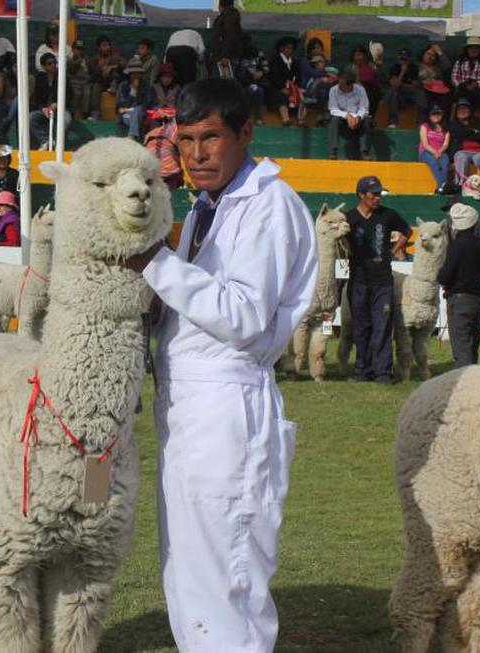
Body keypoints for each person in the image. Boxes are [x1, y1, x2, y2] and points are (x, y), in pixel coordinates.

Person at [122, 78, 316, 653]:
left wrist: (155, 263)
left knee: (226, 574)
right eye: (185, 140)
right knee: (188, 573)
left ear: (246, 133)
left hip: (229, 410)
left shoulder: (269, 205)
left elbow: (244, 315)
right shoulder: (206, 208)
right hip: (188, 409)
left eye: (211, 137)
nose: (197, 153)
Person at [345, 175, 410, 383]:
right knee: (361, 327)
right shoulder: (349, 218)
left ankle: (382, 372)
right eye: (373, 194)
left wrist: (393, 250)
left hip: (383, 282)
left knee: (382, 327)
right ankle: (362, 370)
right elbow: (340, 239)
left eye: (379, 194)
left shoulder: (388, 215)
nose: (377, 198)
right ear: (361, 195)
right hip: (358, 281)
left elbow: (407, 231)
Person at [438, 203, 480, 368]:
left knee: (462, 348)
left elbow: (445, 276)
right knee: (472, 345)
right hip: (476, 297)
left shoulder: (457, 245)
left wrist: (444, 279)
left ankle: (464, 378)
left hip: (459, 299)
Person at [451, 36, 480, 129]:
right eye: (471, 48)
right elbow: (454, 77)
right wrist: (463, 85)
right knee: (460, 100)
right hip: (463, 89)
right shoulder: (460, 61)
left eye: (476, 48)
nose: (473, 50)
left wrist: (477, 85)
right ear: (467, 49)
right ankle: (455, 126)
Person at [328, 67, 371, 161]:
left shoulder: (360, 90)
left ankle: (364, 152)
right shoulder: (333, 90)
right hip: (342, 119)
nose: (343, 86)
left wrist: (357, 118)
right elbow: (333, 109)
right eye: (341, 80)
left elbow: (364, 108)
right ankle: (333, 151)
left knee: (366, 120)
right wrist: (347, 116)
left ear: (352, 84)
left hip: (357, 119)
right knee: (334, 119)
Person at [29, 53, 71, 151]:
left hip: (60, 109)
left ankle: (57, 144)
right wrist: (43, 108)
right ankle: (46, 141)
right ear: (44, 66)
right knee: (30, 118)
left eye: (54, 63)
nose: (52, 65)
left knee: (66, 120)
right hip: (45, 110)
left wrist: (58, 104)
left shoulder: (62, 76)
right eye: (49, 63)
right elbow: (37, 98)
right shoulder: (40, 78)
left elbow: (69, 96)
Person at [116, 57, 155, 143]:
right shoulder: (123, 86)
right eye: (133, 73)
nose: (136, 75)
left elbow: (147, 104)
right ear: (129, 74)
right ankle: (134, 136)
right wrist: (133, 89)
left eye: (138, 73)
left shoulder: (145, 85)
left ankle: (132, 136)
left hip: (141, 114)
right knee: (134, 113)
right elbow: (122, 105)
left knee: (138, 109)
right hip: (126, 115)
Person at [88, 35, 124, 120]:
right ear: (98, 48)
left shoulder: (115, 55)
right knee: (95, 88)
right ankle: (96, 114)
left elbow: (124, 64)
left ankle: (119, 115)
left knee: (116, 76)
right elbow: (93, 73)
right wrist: (101, 68)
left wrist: (111, 67)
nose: (107, 48)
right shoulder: (95, 59)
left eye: (108, 45)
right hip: (101, 82)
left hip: (114, 83)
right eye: (104, 45)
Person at [266, 36, 300, 127]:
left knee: (299, 95)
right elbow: (274, 76)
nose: (290, 50)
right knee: (281, 95)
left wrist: (294, 88)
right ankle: (285, 119)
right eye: (288, 48)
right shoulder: (275, 60)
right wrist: (282, 87)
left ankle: (300, 120)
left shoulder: (294, 62)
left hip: (291, 87)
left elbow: (297, 77)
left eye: (291, 48)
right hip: (276, 87)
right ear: (282, 48)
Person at [418, 105, 451, 194]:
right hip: (426, 152)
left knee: (445, 162)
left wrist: (439, 151)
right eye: (433, 114)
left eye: (438, 114)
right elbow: (425, 144)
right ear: (429, 115)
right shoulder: (424, 126)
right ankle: (442, 186)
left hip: (440, 152)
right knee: (434, 163)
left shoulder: (445, 129)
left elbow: (445, 144)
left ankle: (442, 186)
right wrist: (434, 152)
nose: (436, 116)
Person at [385, 48, 421, 129]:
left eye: (405, 59)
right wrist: (403, 71)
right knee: (393, 93)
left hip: (409, 94)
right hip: (396, 93)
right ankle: (392, 122)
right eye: (401, 59)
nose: (403, 61)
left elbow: (413, 87)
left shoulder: (414, 68)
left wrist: (401, 84)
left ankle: (420, 122)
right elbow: (395, 86)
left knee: (419, 93)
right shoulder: (395, 67)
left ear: (410, 60)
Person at [417, 44, 452, 122]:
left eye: (433, 55)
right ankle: (422, 122)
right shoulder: (416, 66)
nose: (430, 56)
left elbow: (447, 65)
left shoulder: (438, 67)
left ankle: (443, 123)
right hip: (422, 90)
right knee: (422, 94)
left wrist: (439, 52)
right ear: (423, 54)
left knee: (447, 96)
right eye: (428, 53)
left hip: (437, 91)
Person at [210, 0, 243, 76]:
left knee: (227, 80)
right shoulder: (229, 15)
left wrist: (225, 55)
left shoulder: (230, 16)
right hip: (223, 55)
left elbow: (230, 36)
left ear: (220, 6)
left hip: (226, 57)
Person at [350, 44, 381, 119]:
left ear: (364, 56)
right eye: (356, 55)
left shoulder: (371, 66)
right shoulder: (350, 67)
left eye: (360, 55)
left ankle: (370, 117)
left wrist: (380, 66)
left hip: (369, 91)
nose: (358, 57)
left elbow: (376, 78)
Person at [67, 40, 92, 120]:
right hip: (74, 82)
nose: (80, 51)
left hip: (86, 82)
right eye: (77, 49)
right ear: (73, 49)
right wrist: (78, 62)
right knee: (76, 94)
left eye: (81, 49)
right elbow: (72, 70)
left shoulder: (87, 59)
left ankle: (86, 115)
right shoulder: (70, 59)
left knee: (87, 93)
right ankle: (71, 113)